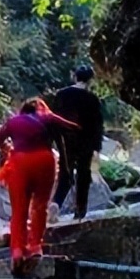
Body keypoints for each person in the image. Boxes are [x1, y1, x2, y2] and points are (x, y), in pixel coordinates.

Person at [0, 97, 79, 277]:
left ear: (23, 110)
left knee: (19, 210)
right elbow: (73, 128)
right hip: (44, 161)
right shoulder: (48, 118)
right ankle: (35, 246)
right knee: (39, 206)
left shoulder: (13, 121)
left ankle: (17, 251)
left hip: (19, 163)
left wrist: (7, 147)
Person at [50, 65, 105, 220]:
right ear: (90, 80)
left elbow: (53, 118)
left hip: (65, 141)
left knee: (65, 174)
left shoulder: (61, 95)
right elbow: (97, 125)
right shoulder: (92, 99)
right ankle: (80, 211)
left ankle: (56, 203)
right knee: (83, 175)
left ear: (75, 77)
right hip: (86, 142)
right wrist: (97, 147)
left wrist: (55, 140)